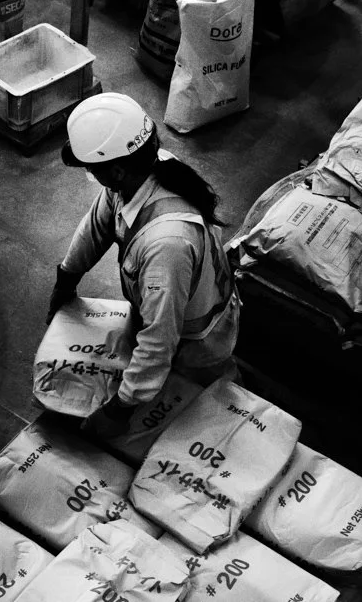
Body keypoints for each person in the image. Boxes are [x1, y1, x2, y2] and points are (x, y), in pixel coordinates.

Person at [48, 92, 240, 438]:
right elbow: (98, 223)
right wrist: (67, 277)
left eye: (92, 171)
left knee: (190, 425)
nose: (93, 177)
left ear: (116, 170)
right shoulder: (145, 168)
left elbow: (160, 339)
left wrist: (121, 408)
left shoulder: (167, 246)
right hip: (172, 315)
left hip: (196, 345)